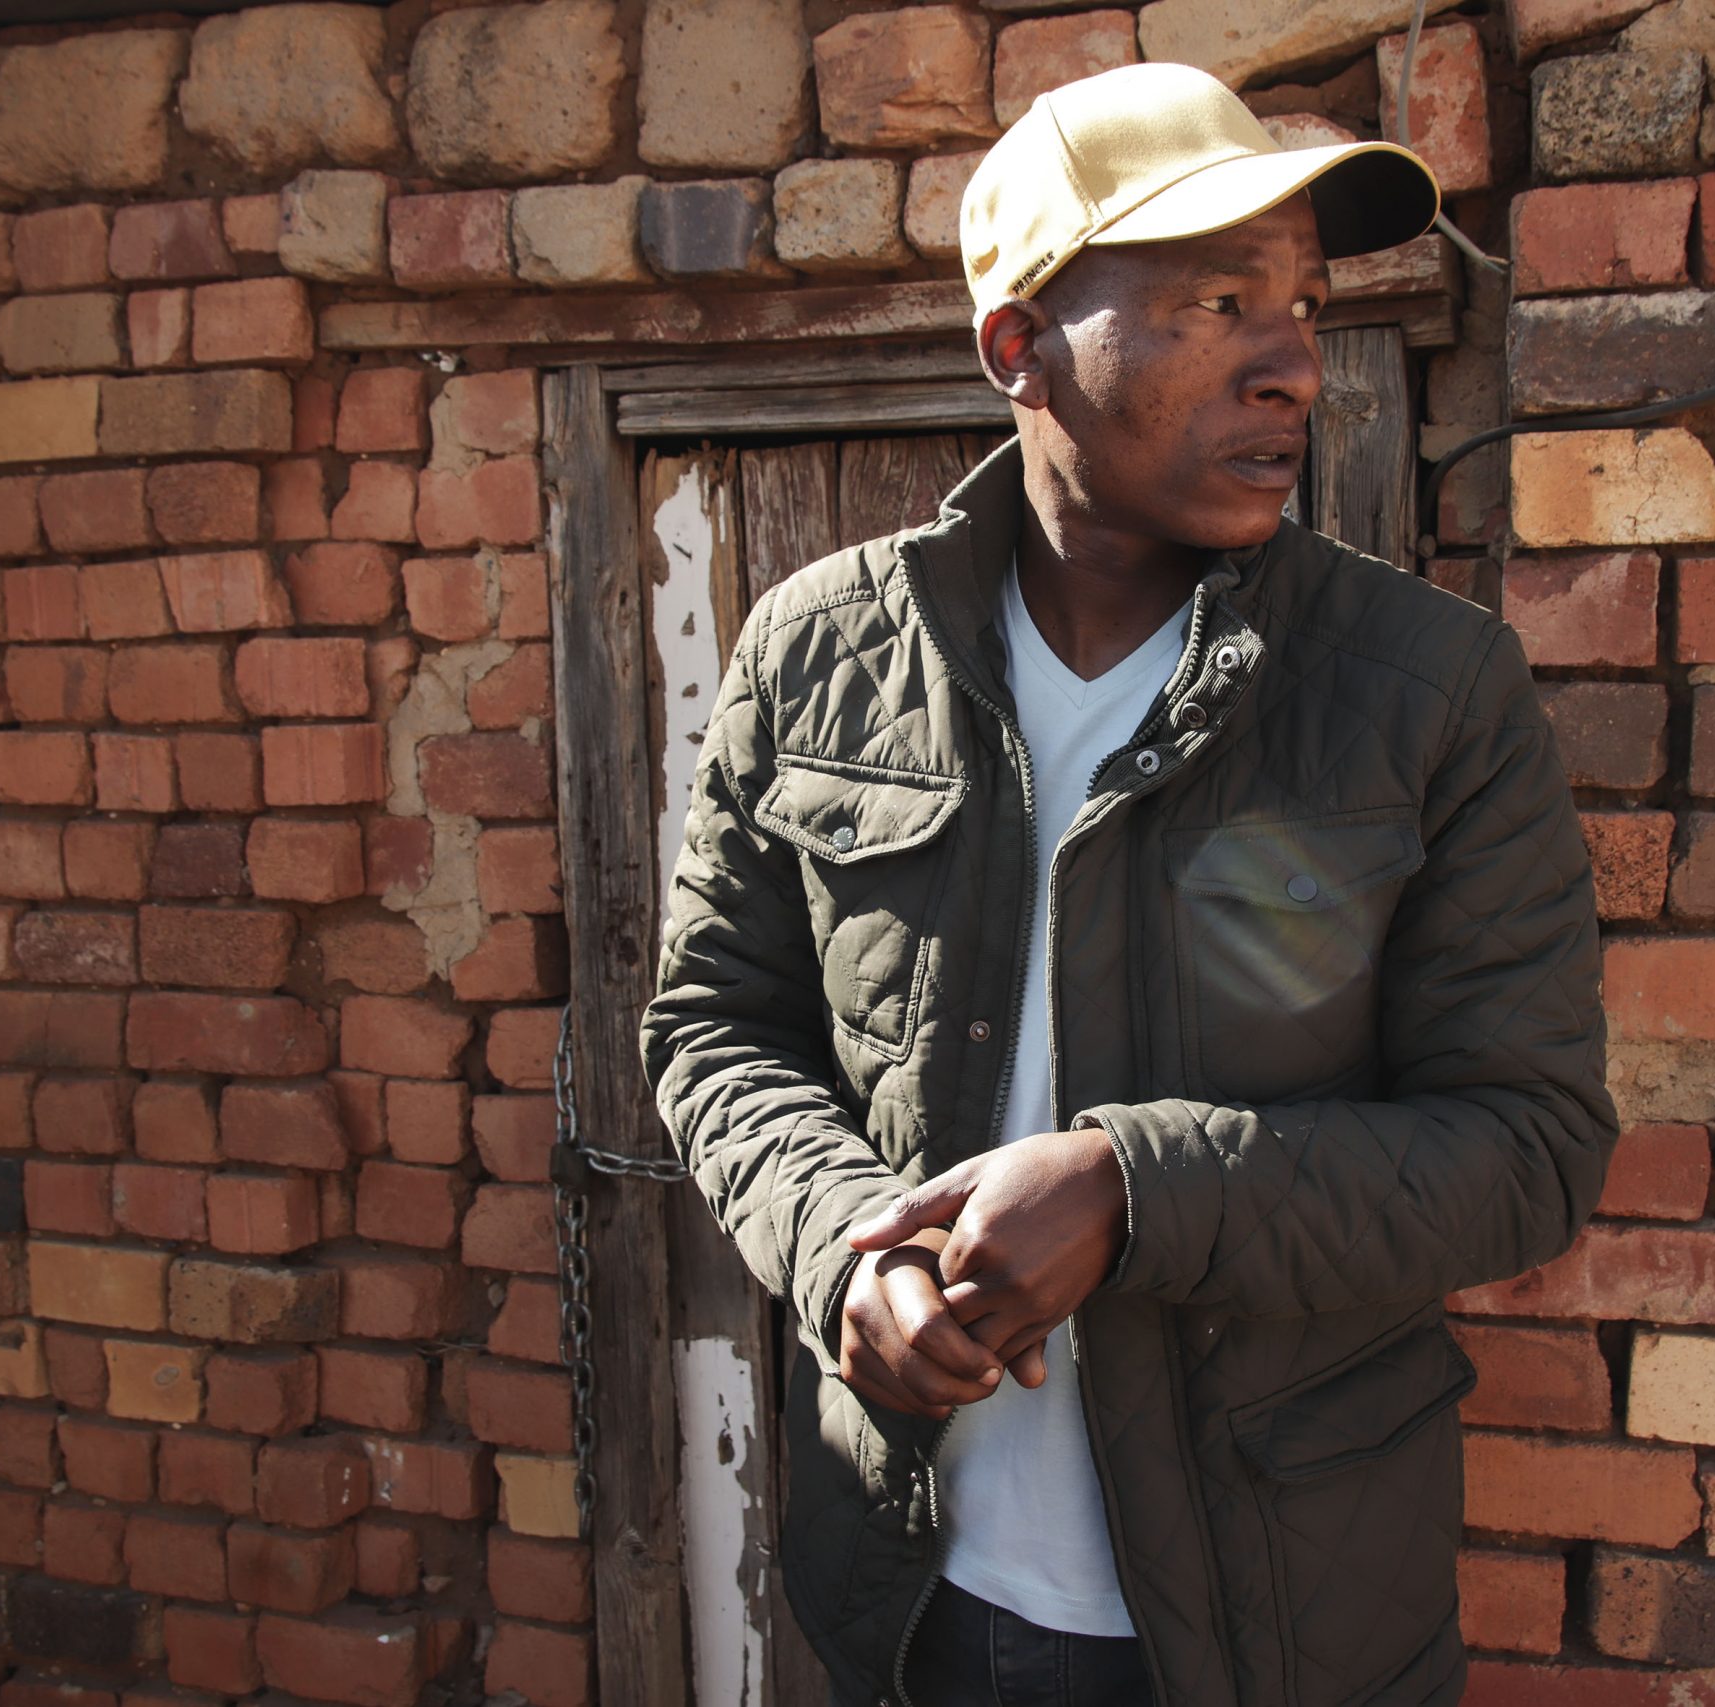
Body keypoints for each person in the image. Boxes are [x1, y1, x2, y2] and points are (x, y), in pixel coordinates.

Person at [641, 60, 1617, 1707]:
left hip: (1282, 1625)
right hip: (909, 1599)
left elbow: (1526, 1147)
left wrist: (1133, 1189)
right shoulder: (819, 654)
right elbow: (714, 1029)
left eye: (1303, 302)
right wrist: (841, 1249)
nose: (1293, 360)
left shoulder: (1426, 692)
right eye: (1217, 300)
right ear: (1021, 347)